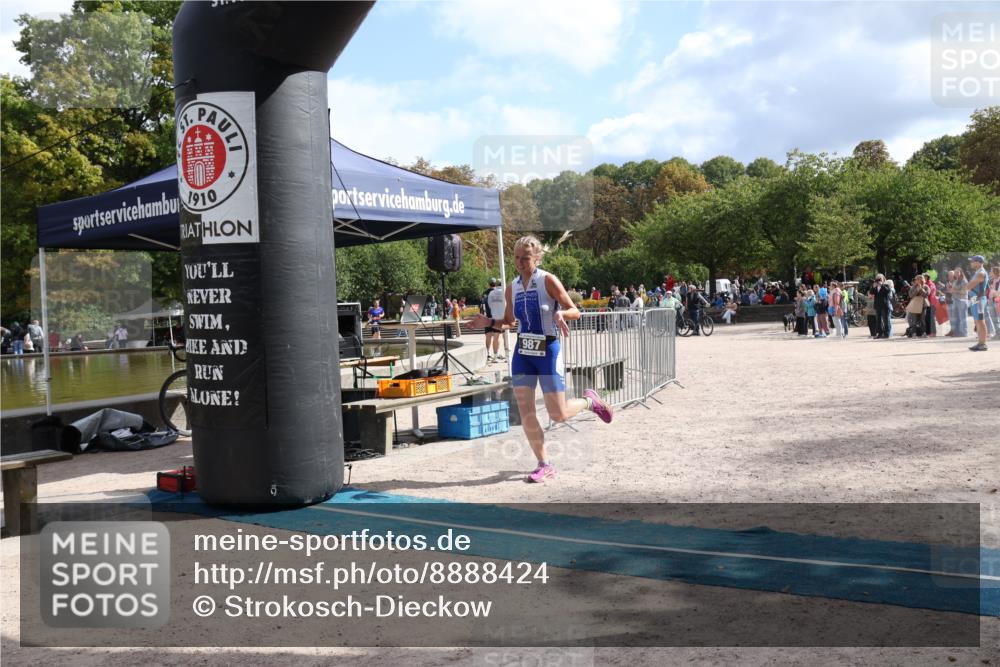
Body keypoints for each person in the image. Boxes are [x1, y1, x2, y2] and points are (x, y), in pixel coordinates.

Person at [470, 235, 613, 483]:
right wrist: (489, 322)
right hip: (523, 353)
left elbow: (575, 311)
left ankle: (589, 401)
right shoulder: (512, 287)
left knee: (557, 414)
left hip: (548, 351)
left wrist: (562, 315)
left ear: (536, 257)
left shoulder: (547, 280)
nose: (520, 263)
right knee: (525, 411)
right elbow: (509, 322)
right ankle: (544, 464)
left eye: (525, 258)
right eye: (516, 258)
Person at [966, 255, 990, 351]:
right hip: (975, 298)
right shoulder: (977, 272)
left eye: (973, 261)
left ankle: (983, 344)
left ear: (978, 262)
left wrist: (966, 286)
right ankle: (980, 342)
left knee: (981, 321)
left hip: (979, 298)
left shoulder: (981, 273)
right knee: (977, 321)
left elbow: (969, 286)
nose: (971, 263)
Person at [484, 278, 507, 363]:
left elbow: (489, 305)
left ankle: (494, 356)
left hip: (493, 317)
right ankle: (507, 356)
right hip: (504, 317)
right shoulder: (505, 292)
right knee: (505, 337)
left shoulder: (491, 293)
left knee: (495, 337)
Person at [950, 267, 969, 337]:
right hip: (955, 300)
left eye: (958, 272)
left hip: (962, 301)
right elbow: (953, 290)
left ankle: (964, 332)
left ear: (961, 273)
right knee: (956, 318)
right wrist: (950, 290)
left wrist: (954, 291)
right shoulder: (955, 281)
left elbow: (964, 292)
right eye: (955, 272)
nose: (956, 274)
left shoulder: (964, 281)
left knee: (962, 318)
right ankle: (957, 332)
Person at [989, 265, 1000, 341]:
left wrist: (994, 293)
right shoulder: (992, 280)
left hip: (998, 301)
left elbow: (998, 293)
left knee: (998, 318)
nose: (990, 273)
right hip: (992, 301)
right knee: (994, 319)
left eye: (991, 271)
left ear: (995, 272)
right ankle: (998, 334)